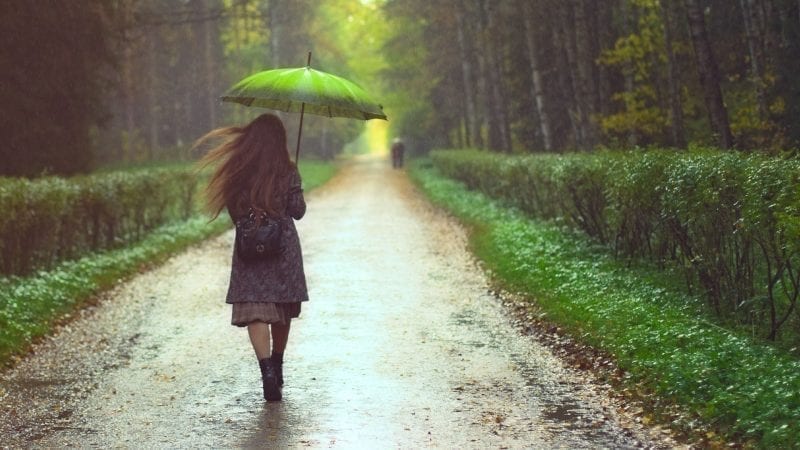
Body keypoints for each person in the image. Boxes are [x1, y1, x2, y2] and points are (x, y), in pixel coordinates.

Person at [195, 113, 308, 402]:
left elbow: (234, 211)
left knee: (257, 309)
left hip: (249, 249)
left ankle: (266, 372)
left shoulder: (239, 170)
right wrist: (294, 184)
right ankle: (279, 364)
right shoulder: (287, 170)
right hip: (283, 249)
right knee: (281, 307)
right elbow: (298, 210)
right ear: (279, 141)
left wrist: (252, 223)